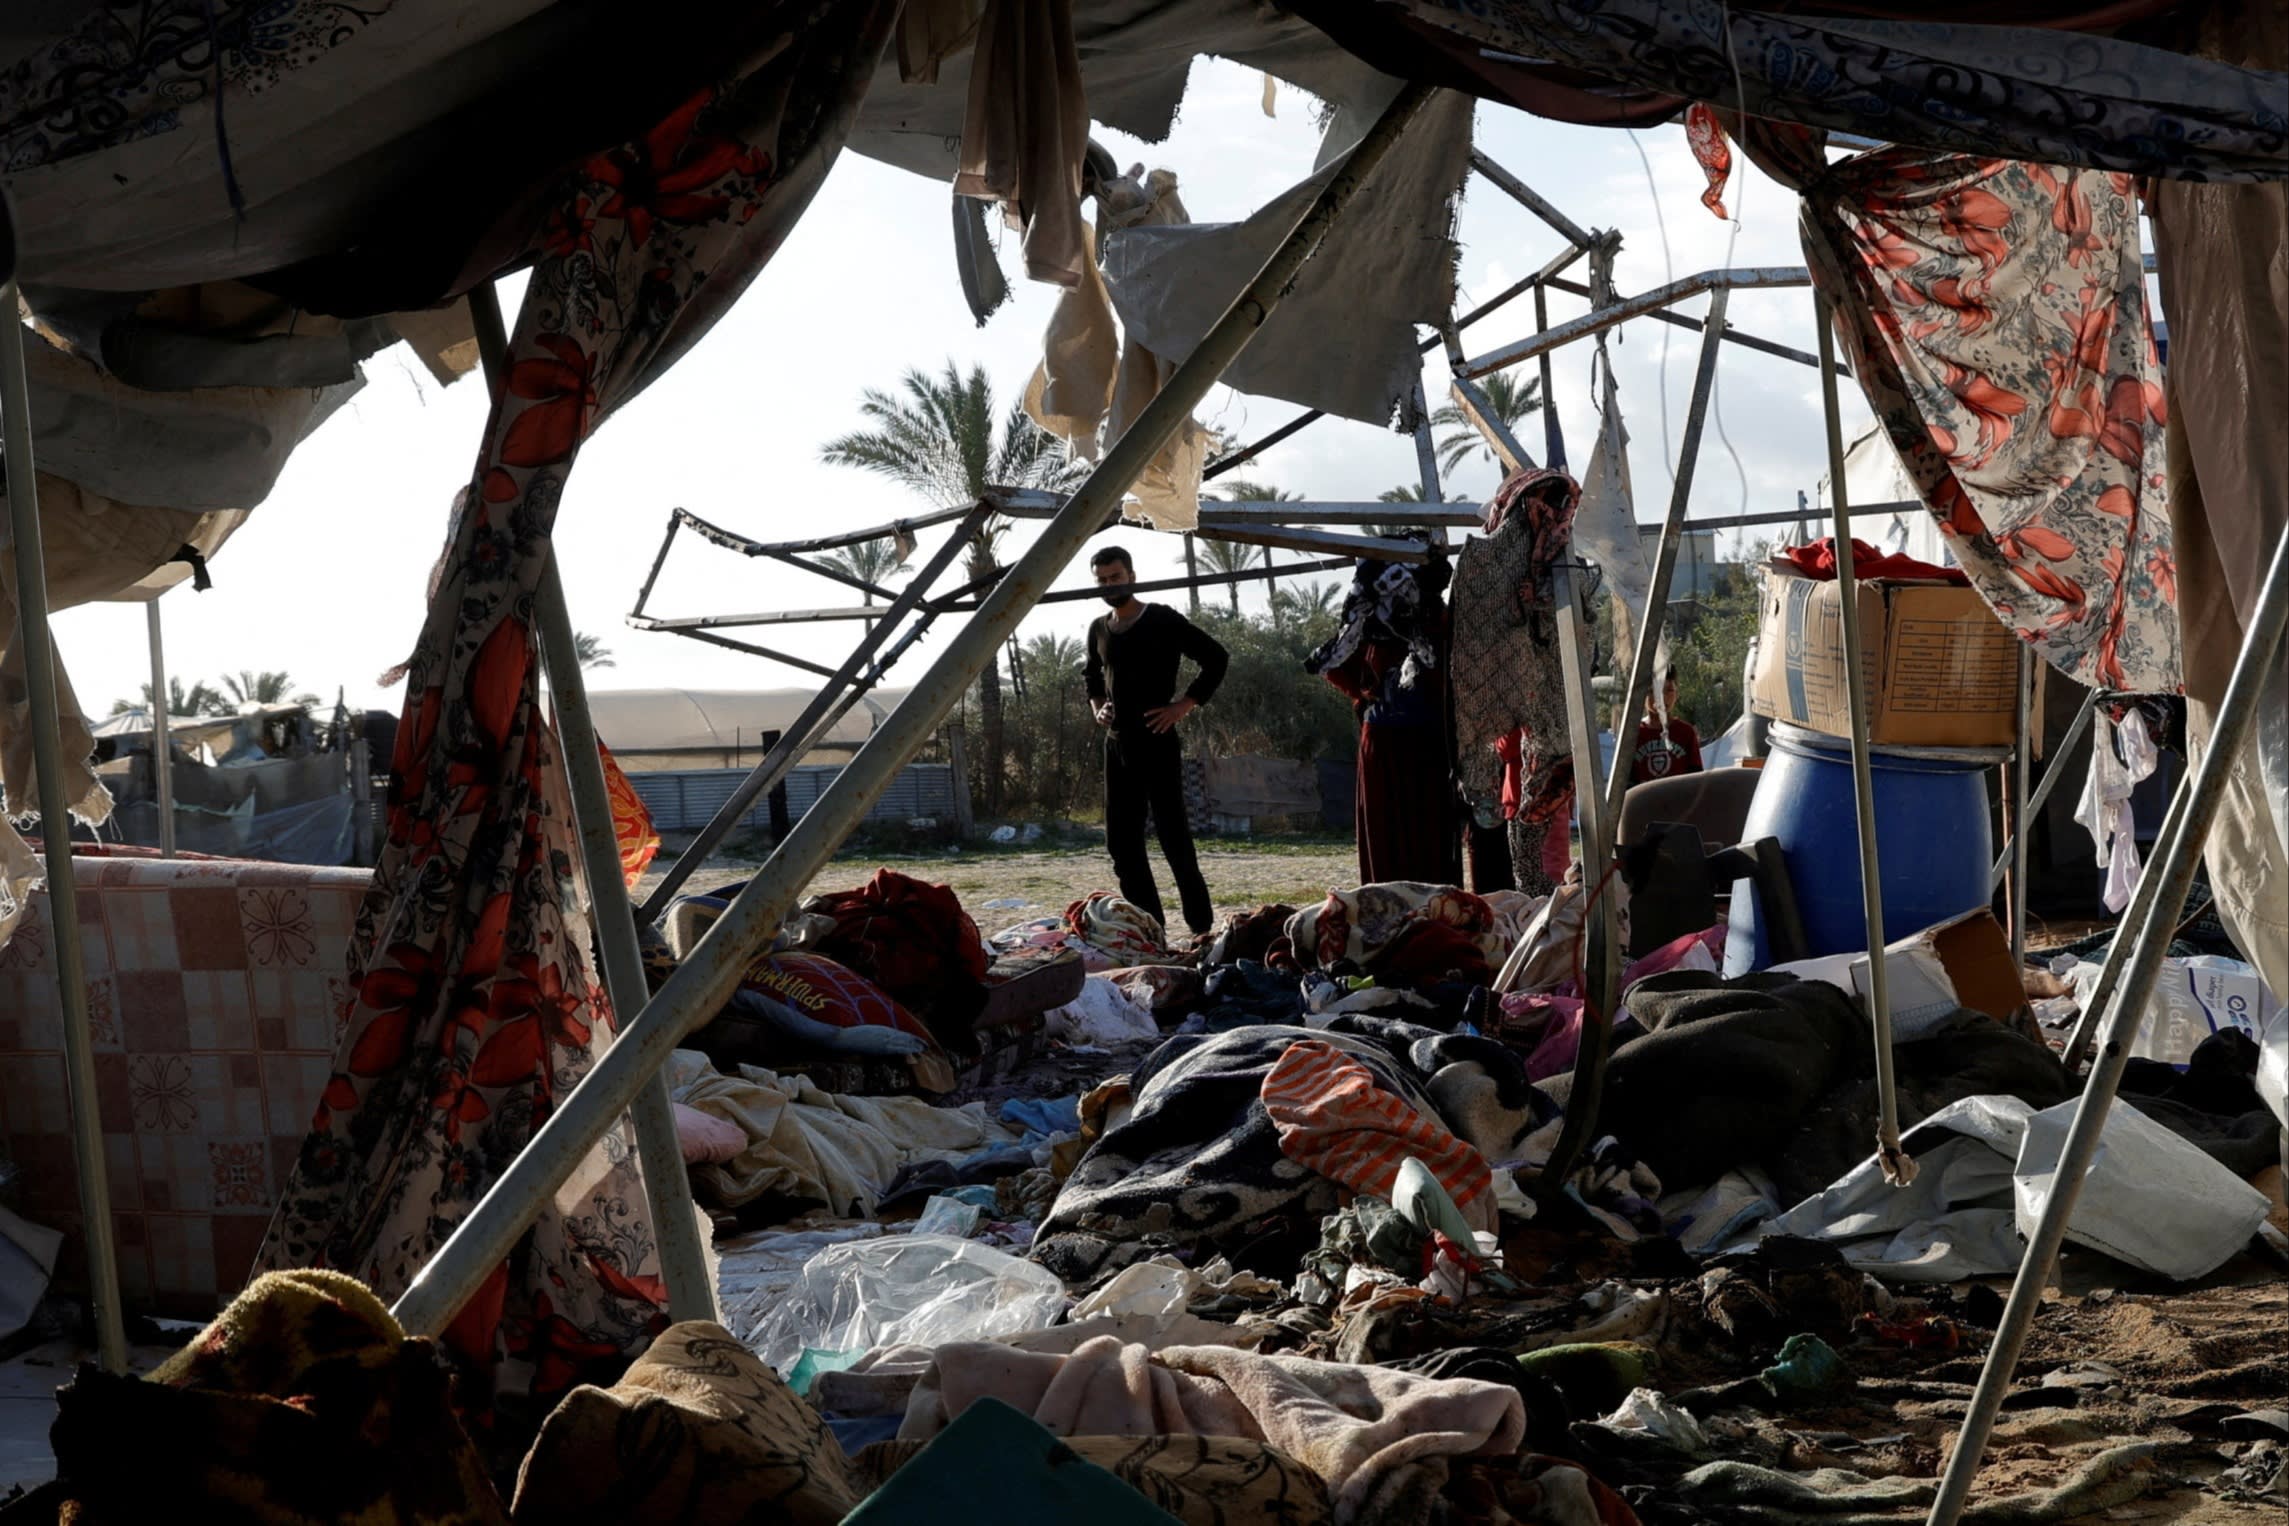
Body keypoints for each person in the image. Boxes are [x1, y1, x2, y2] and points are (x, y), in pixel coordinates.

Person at [1083, 545, 1229, 936]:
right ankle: (1151, 928)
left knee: (1173, 836)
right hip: (1117, 745)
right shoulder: (1098, 628)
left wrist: (1183, 705)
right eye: (1102, 580)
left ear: (1131, 576)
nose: (1110, 585)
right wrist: (1098, 708)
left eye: (1116, 577)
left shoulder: (1162, 619)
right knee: (1122, 843)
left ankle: (1200, 926)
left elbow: (1216, 658)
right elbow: (1092, 676)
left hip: (1156, 740)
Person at [1630, 667, 1704, 784]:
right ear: (1643, 694)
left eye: (1669, 690)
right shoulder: (1633, 734)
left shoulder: (1685, 732)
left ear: (1676, 694)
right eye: (1654, 690)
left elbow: (1696, 779)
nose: (1662, 697)